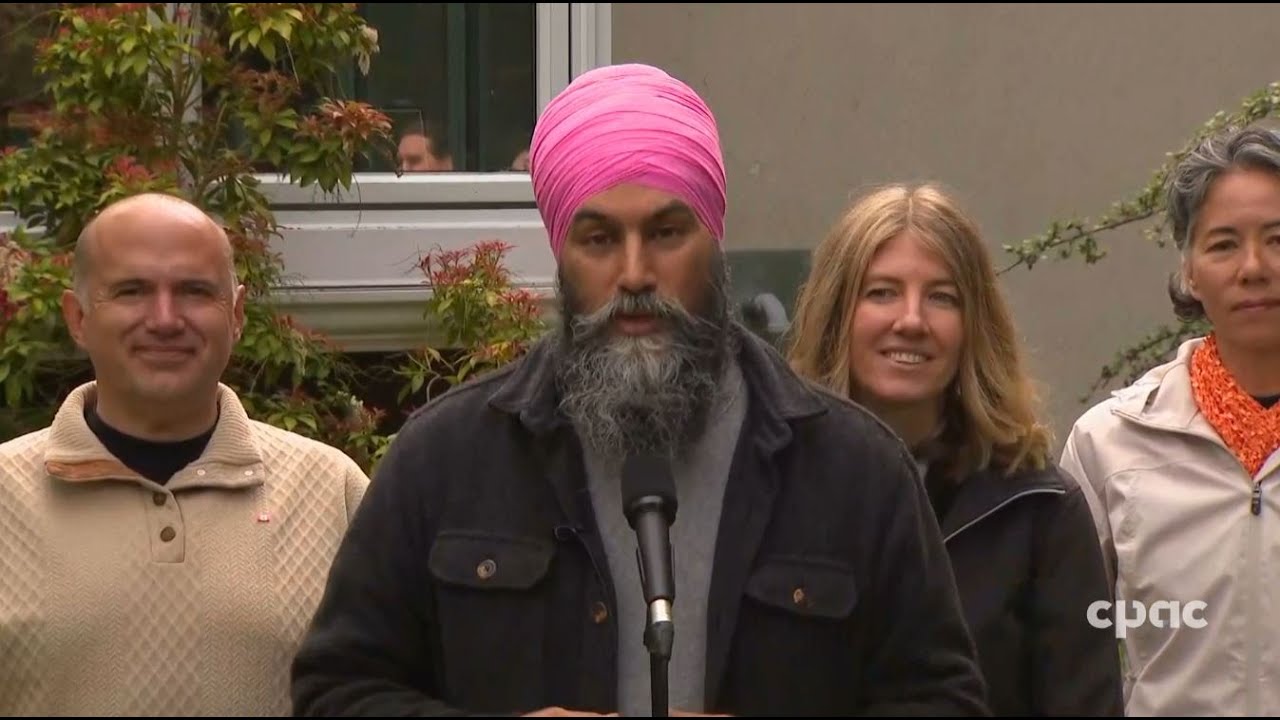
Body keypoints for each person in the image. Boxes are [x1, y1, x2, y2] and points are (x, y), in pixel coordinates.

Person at [290, 63, 990, 717]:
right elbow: (336, 690)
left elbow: (942, 701)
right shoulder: (446, 459)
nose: (634, 274)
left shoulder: (853, 469)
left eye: (666, 233)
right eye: (599, 239)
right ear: (561, 254)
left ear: (713, 239)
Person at [0, 192, 370, 716]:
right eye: (131, 291)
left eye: (195, 291)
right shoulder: (6, 495)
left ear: (236, 314)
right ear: (77, 318)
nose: (165, 319)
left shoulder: (330, 491)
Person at [786, 182, 1125, 716]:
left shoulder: (1039, 511)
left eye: (941, 297)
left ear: (974, 326)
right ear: (836, 313)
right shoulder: (774, 490)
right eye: (882, 292)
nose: (911, 321)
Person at [1060, 123, 1280, 716]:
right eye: (1223, 244)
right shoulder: (1111, 444)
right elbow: (1064, 650)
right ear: (1189, 271)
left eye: (1278, 239)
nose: (1254, 267)